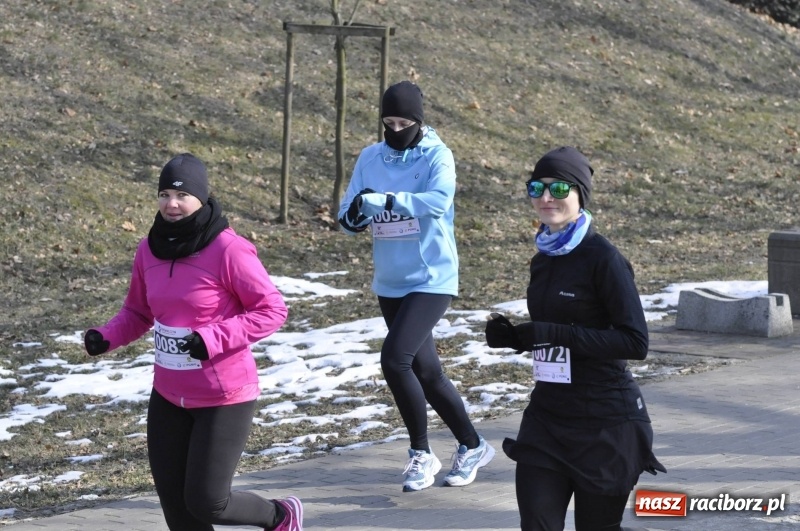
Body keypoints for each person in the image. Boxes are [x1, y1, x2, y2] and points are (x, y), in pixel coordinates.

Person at [84, 153, 303, 531]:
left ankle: (280, 515)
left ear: (201, 198)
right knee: (177, 510)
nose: (171, 203)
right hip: (168, 393)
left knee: (208, 503)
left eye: (182, 195)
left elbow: (272, 309)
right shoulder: (149, 248)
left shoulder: (228, 249)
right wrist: (105, 337)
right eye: (164, 193)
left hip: (223, 395)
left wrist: (213, 338)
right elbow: (138, 312)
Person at [485, 146, 665, 531]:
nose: (546, 198)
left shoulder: (604, 259)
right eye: (537, 187)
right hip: (548, 417)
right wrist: (518, 338)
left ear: (581, 194)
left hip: (605, 421)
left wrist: (551, 334)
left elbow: (635, 342)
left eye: (559, 188)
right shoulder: (543, 257)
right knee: (537, 524)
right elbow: (559, 330)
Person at [338, 81, 495, 492]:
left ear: (418, 121)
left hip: (432, 277)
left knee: (395, 360)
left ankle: (421, 453)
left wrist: (388, 200)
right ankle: (473, 445)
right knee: (427, 371)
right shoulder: (370, 158)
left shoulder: (437, 155)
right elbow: (347, 211)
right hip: (390, 280)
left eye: (403, 122)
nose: (395, 129)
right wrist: (355, 214)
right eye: (387, 122)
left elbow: (438, 201)